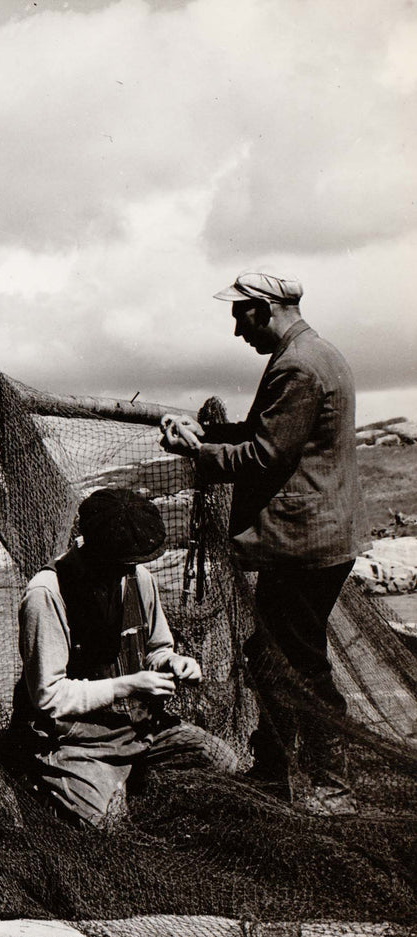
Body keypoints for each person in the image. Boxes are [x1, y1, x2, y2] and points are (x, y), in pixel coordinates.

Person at [160, 273, 363, 810]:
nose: (235, 331)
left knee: (298, 665)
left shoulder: (298, 365)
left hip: (303, 543)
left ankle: (327, 785)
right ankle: (277, 767)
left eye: (239, 316)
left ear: (264, 309)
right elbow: (263, 434)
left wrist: (194, 454)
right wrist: (201, 434)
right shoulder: (317, 353)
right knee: (275, 657)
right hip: (318, 538)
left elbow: (264, 456)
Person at [0, 488, 240, 828]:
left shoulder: (139, 578)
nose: (129, 572)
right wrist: (128, 685)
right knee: (104, 824)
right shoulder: (46, 594)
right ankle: (41, 776)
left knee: (222, 763)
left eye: (135, 564)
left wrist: (173, 663)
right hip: (75, 741)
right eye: (123, 564)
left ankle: (126, 776)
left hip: (138, 730)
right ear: (95, 550)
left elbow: (157, 648)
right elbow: (48, 697)